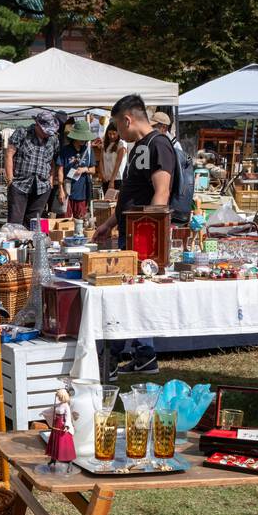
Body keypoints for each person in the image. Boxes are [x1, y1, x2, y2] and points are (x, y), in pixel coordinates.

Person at [95, 94, 176, 378]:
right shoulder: (140, 147)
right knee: (133, 298)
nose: (118, 133)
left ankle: (112, 358)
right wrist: (109, 224)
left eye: (118, 125)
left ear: (128, 119)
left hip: (143, 239)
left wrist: (148, 233)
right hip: (130, 233)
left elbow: (162, 192)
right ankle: (144, 356)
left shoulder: (159, 145)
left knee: (126, 298)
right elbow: (130, 196)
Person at [4, 110, 60, 227]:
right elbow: (9, 153)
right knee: (15, 223)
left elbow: (53, 161)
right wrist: (10, 180)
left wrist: (50, 180)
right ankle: (16, 244)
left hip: (42, 186)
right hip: (20, 184)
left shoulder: (53, 139)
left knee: (35, 223)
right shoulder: (22, 133)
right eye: (45, 131)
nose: (47, 134)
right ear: (37, 125)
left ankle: (34, 244)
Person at [151, 111, 194, 228]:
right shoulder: (161, 142)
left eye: (154, 126)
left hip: (171, 195)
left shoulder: (172, 145)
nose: (152, 129)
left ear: (164, 127)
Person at [56, 119, 96, 221]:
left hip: (82, 192)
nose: (82, 140)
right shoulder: (65, 150)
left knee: (80, 222)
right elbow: (60, 170)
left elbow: (93, 170)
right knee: (65, 221)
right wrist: (61, 189)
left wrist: (85, 169)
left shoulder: (89, 150)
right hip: (66, 191)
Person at [99, 121, 127, 197]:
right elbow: (101, 160)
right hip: (106, 178)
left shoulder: (121, 144)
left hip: (117, 178)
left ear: (118, 133)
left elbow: (118, 163)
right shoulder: (105, 144)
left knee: (116, 202)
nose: (111, 136)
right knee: (107, 202)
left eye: (114, 134)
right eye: (109, 134)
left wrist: (112, 180)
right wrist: (102, 174)